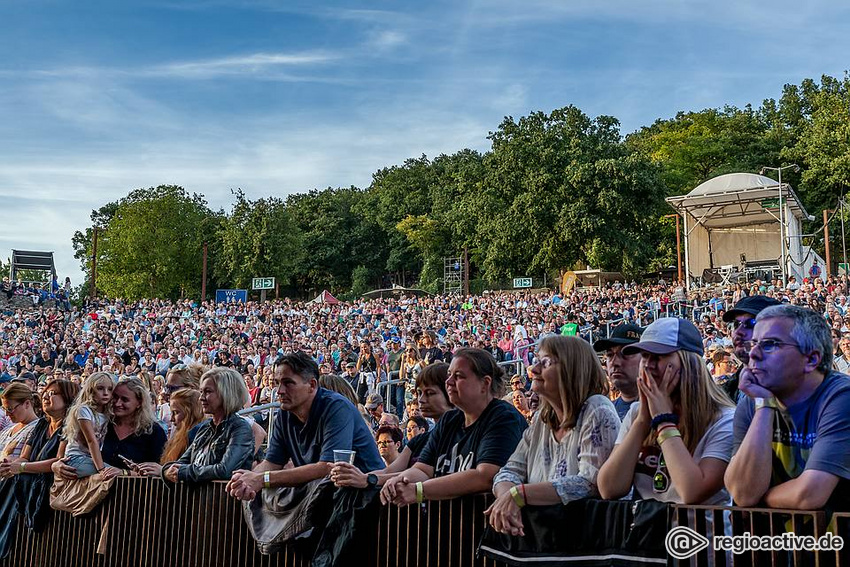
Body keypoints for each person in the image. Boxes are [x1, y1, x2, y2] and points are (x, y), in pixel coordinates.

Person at [486, 336, 620, 536]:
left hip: (585, 542)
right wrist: (508, 499)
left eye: (545, 362)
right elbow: (509, 471)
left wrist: (520, 494)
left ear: (573, 368)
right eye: (536, 361)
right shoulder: (542, 418)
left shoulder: (597, 409)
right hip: (542, 539)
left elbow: (590, 483)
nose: (533, 370)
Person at [598, 318, 735, 505]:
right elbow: (609, 488)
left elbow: (692, 492)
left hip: (697, 533)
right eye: (644, 356)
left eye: (659, 356)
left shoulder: (724, 419)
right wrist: (642, 421)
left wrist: (664, 422)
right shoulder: (637, 413)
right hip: (646, 531)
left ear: (689, 363)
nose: (648, 365)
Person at [725, 305, 850, 510]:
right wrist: (764, 405)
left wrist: (760, 500)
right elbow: (742, 493)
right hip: (775, 542)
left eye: (770, 345)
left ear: (811, 359)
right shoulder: (754, 398)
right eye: (754, 343)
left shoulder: (841, 397)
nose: (753, 354)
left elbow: (810, 494)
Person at [379, 349, 527, 506]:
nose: (448, 382)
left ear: (485, 383)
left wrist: (419, 490)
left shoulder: (503, 417)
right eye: (449, 375)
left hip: (487, 523)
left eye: (458, 376)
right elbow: (422, 470)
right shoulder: (449, 420)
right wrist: (400, 481)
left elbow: (485, 476)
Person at [227, 352, 383, 500]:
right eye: (277, 383)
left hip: (367, 498)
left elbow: (326, 468)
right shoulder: (284, 413)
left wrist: (262, 479)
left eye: (288, 383)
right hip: (328, 499)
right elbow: (272, 463)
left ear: (312, 385)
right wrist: (247, 480)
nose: (280, 391)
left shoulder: (336, 408)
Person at [331, 362, 452, 489]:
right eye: (420, 393)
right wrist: (356, 476)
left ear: (451, 392)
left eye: (430, 393)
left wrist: (368, 479)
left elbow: (424, 473)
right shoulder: (420, 440)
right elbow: (388, 471)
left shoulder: (463, 434)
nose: (421, 400)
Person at [162, 367, 254, 483]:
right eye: (201, 392)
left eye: (208, 392)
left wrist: (183, 472)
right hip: (198, 499)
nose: (201, 398)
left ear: (226, 393)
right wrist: (166, 471)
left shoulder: (240, 429)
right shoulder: (204, 429)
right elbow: (179, 463)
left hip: (223, 498)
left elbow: (224, 470)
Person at [57, 372, 120, 480]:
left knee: (115, 471)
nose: (105, 393)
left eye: (109, 389)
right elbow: (91, 441)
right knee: (114, 472)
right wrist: (101, 469)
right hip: (75, 459)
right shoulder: (84, 410)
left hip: (91, 459)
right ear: (90, 390)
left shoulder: (107, 413)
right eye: (100, 388)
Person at [718, 296, 781, 403]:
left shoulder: (795, 390)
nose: (739, 331)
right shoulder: (724, 394)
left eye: (752, 323)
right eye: (736, 324)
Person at [100, 377, 166, 473]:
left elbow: (157, 471)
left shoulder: (153, 431)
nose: (118, 403)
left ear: (139, 402)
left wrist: (125, 473)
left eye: (125, 400)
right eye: (115, 397)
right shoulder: (102, 424)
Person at [136, 388, 204, 476]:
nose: (171, 419)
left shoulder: (199, 436)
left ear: (191, 413)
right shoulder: (177, 437)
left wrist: (163, 471)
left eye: (176, 413)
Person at [593, 323, 644, 420]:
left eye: (625, 353)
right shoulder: (606, 413)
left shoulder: (665, 409)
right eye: (609, 354)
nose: (614, 362)